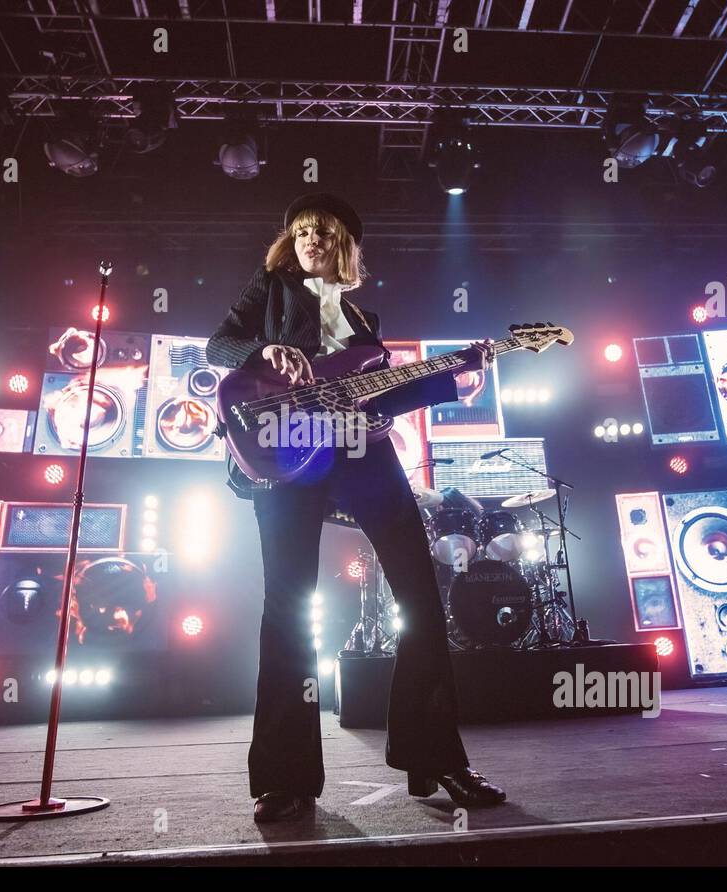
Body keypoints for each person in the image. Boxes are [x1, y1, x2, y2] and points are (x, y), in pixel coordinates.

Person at [206, 192, 507, 822]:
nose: (310, 237)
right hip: (288, 450)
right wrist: (264, 351)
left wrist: (458, 375)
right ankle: (286, 779)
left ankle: (437, 758)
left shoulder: (364, 324)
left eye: (323, 230)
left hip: (364, 453)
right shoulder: (271, 289)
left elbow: (382, 397)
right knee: (288, 606)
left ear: (345, 242)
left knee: (421, 596)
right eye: (301, 230)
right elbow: (219, 346)